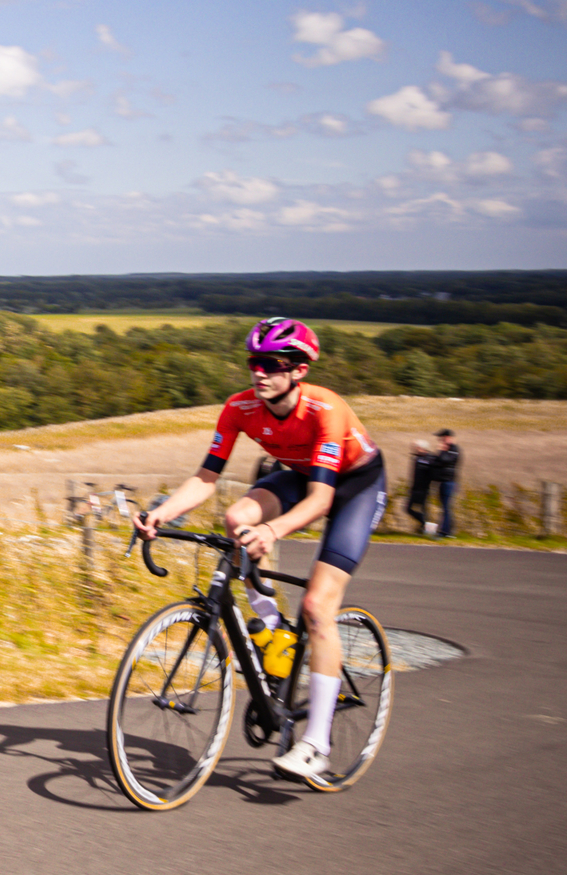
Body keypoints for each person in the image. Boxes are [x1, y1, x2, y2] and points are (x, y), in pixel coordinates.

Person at [135, 317, 387, 792]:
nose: (259, 373)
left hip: (353, 486)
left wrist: (273, 530)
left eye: (271, 364)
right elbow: (205, 478)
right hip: (298, 472)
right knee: (236, 519)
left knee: (317, 607)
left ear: (298, 370)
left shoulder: (324, 409)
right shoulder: (240, 408)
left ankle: (315, 745)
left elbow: (321, 501)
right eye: (254, 363)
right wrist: (162, 513)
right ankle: (272, 629)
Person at [429, 428, 461, 538]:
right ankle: (449, 531)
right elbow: (436, 462)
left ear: (447, 438)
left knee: (446, 507)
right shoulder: (448, 450)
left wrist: (441, 450)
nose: (439, 440)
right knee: (445, 507)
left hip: (449, 482)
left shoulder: (454, 449)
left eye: (441, 438)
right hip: (443, 481)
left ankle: (444, 532)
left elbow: (444, 460)